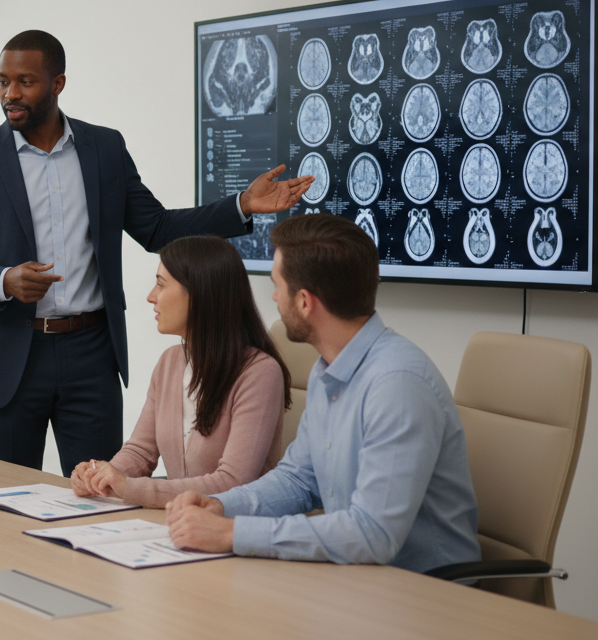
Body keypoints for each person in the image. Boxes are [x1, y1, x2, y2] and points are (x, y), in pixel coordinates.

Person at [0, 29, 314, 475]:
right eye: (2, 81)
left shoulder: (104, 149)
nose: (10, 94)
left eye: (25, 81)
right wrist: (4, 281)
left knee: (101, 494)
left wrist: (242, 205)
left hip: (91, 353)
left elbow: (157, 228)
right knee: (6, 498)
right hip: (11, 357)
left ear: (57, 83)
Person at [165, 214, 481, 572]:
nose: (273, 297)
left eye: (276, 285)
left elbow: (374, 534)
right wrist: (220, 506)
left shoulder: (397, 384)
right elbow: (298, 480)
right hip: (358, 580)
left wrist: (232, 533)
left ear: (304, 302)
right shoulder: (327, 370)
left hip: (428, 595)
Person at [70, 236, 290, 508]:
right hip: (177, 523)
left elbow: (233, 482)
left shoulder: (259, 373)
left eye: (161, 285)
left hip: (233, 531)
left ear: (200, 293)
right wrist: (101, 476)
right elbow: (141, 452)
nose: (151, 296)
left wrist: (129, 487)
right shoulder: (170, 362)